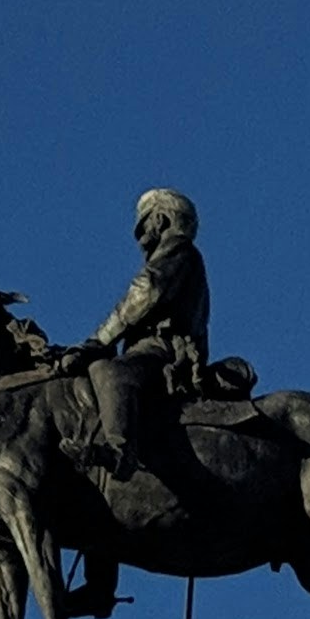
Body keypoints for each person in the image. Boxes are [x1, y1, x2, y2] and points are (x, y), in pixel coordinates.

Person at [82, 187, 212, 480]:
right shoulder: (180, 255)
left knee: (110, 373)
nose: (140, 237)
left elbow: (146, 291)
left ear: (163, 220)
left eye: (145, 224)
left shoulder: (178, 249)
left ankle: (120, 451)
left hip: (164, 348)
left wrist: (99, 341)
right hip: (148, 347)